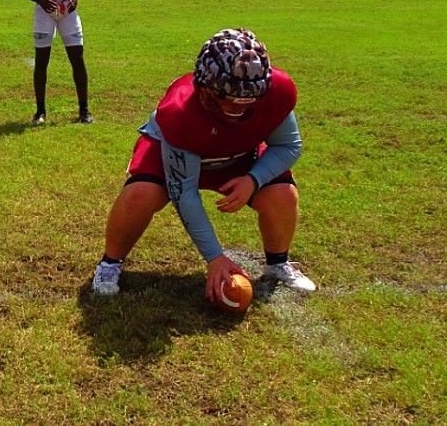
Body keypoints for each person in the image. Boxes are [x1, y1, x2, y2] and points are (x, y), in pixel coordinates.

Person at [91, 28, 316, 303]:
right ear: (204, 86)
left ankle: (278, 261)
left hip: (237, 153)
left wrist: (253, 179)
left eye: (248, 100)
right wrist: (214, 257)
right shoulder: (179, 112)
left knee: (282, 193)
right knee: (141, 193)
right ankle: (110, 263)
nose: (237, 109)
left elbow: (289, 145)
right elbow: (184, 192)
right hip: (175, 151)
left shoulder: (277, 91)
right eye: (227, 98)